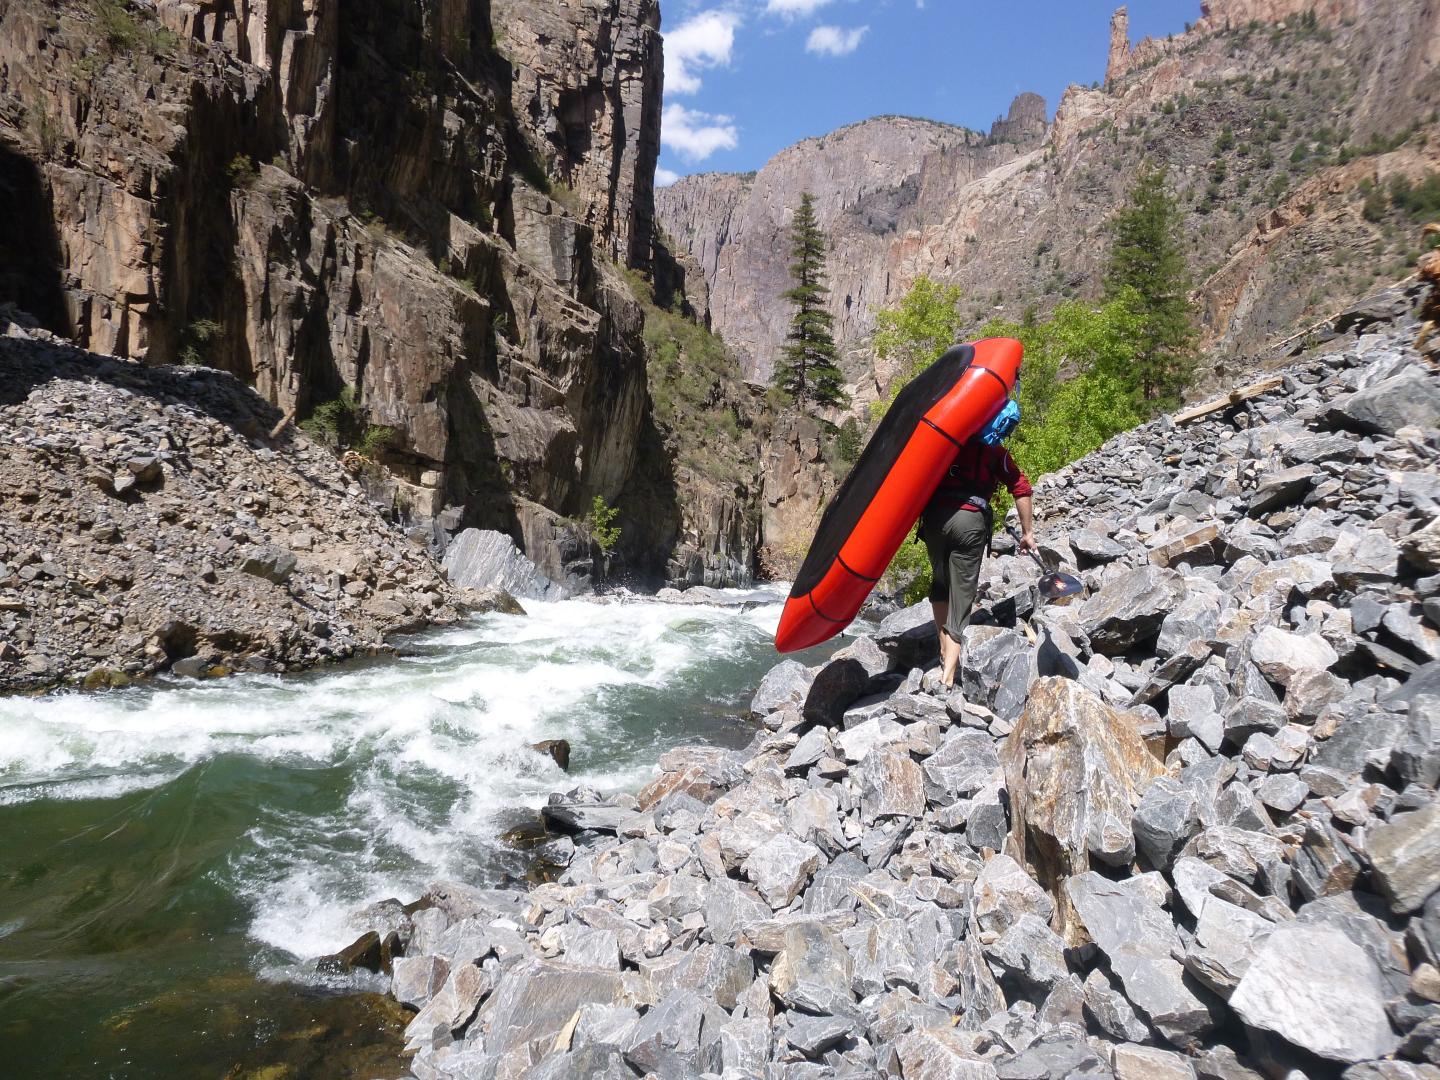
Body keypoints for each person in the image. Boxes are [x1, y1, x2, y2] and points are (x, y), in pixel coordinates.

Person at [920, 399, 1037, 688]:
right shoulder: (994, 451)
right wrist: (1027, 532)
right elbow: (1021, 488)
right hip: (969, 523)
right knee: (962, 594)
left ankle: (943, 648)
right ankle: (949, 672)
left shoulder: (944, 441)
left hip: (935, 520)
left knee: (940, 583)